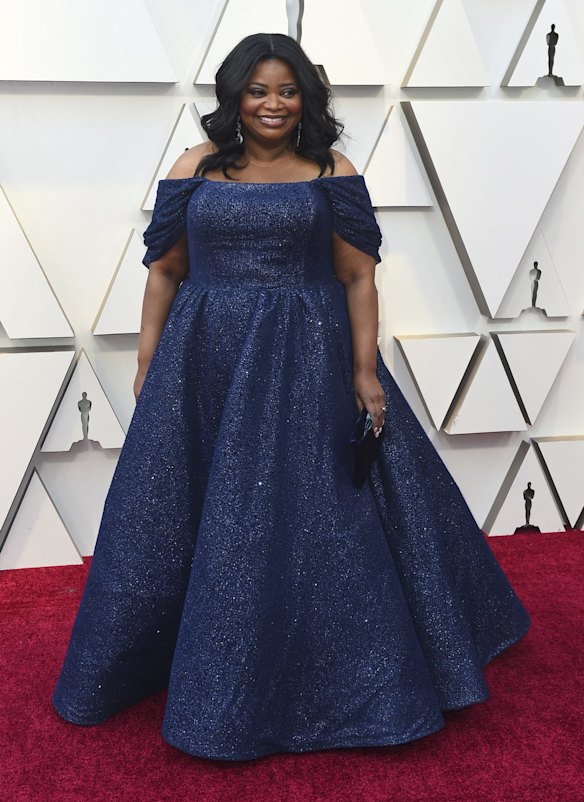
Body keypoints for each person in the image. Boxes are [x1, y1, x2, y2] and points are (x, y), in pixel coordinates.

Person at [51, 33, 531, 762]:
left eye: (287, 90)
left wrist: (364, 372)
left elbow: (359, 276)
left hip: (308, 355)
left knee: (318, 510)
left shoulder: (332, 170)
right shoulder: (193, 168)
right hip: (206, 359)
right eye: (258, 90)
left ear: (306, 98)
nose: (272, 104)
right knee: (185, 507)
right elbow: (165, 270)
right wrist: (149, 361)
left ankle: (342, 677)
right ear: (234, 97)